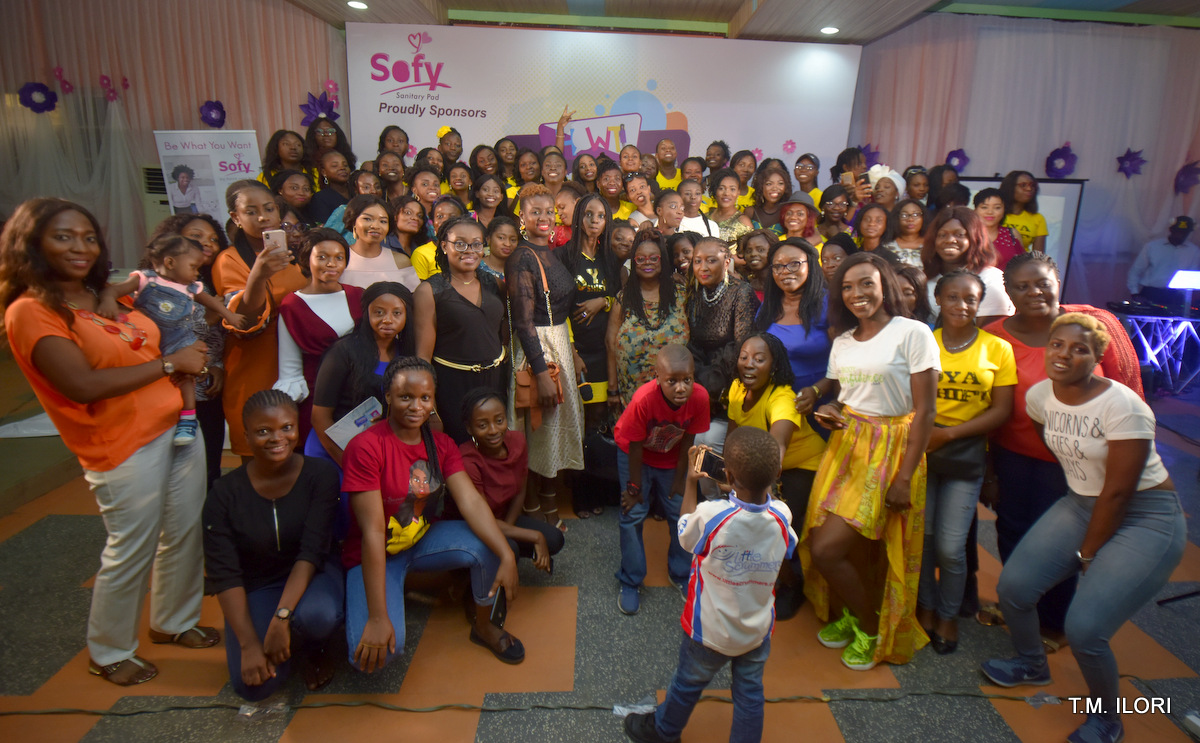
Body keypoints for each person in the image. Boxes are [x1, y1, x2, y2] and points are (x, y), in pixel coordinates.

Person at [1, 198, 216, 686]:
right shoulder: (31, 311)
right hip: (120, 443)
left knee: (183, 531)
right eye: (62, 236)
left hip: (176, 425)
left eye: (88, 237)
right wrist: (170, 363)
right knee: (132, 545)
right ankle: (109, 650)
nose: (79, 247)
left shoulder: (102, 295)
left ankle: (174, 621)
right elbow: (82, 385)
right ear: (31, 244)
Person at [981, 313, 1184, 743]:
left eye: (1079, 349)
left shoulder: (1124, 406)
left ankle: (1108, 718)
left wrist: (1088, 555)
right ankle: (1031, 663)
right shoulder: (1040, 396)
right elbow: (1058, 448)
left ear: (1097, 358)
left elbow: (1118, 493)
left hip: (1145, 515)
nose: (1064, 355)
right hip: (1081, 503)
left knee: (1086, 629)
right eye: (1057, 345)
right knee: (1014, 589)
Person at [979, 251, 1145, 641]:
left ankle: (1053, 624)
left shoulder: (1094, 325)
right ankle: (1020, 606)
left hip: (1078, 462)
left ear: (1057, 283)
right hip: (1013, 456)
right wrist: (989, 471)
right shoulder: (993, 337)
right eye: (1022, 286)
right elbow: (985, 406)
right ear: (1009, 293)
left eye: (1042, 283)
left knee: (1063, 542)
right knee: (1013, 530)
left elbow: (1130, 389)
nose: (1034, 292)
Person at [798, 251, 938, 671]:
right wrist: (830, 408)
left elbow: (925, 412)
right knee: (847, 546)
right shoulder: (843, 340)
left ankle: (871, 626)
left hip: (892, 449)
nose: (856, 293)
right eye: (847, 287)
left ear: (885, 286)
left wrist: (904, 477)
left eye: (866, 284)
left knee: (827, 549)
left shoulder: (912, 333)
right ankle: (852, 612)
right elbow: (846, 396)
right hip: (847, 445)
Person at [342, 357, 526, 668]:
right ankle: (395, 589)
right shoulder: (366, 447)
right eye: (405, 397)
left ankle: (484, 626)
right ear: (387, 396)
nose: (416, 406)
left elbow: (471, 502)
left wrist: (506, 554)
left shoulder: (441, 444)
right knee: (378, 656)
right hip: (376, 553)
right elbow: (373, 531)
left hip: (422, 539)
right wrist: (377, 617)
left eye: (425, 398)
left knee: (490, 543)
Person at [622, 426, 795, 743]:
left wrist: (691, 481)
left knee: (687, 683)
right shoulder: (783, 516)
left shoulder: (712, 515)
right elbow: (784, 541)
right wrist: (740, 487)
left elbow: (685, 534)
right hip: (756, 632)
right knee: (750, 695)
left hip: (709, 631)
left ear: (727, 473)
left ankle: (664, 731)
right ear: (778, 472)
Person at [204, 391, 343, 699]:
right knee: (254, 687)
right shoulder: (223, 495)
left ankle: (314, 646)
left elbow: (312, 551)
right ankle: (279, 635)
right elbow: (224, 574)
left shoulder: (319, 476)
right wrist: (248, 644)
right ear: (246, 436)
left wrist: (282, 616)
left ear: (297, 429)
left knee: (318, 616)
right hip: (259, 583)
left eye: (286, 428)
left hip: (314, 573)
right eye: (263, 431)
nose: (277, 438)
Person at [916, 270, 1016, 654]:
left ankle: (948, 615)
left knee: (951, 546)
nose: (961, 305)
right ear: (938, 300)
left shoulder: (997, 349)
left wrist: (949, 434)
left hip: (965, 452)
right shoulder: (924, 342)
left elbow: (1001, 410)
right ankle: (926, 608)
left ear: (979, 303)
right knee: (924, 541)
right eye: (952, 297)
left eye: (970, 298)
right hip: (923, 452)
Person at [97, 235, 244, 445]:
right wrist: (108, 300)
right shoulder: (145, 279)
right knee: (150, 375)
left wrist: (229, 315)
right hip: (149, 340)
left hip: (181, 338)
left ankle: (188, 417)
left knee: (186, 377)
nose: (196, 273)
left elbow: (212, 303)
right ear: (170, 262)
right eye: (193, 267)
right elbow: (113, 290)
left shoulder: (191, 287)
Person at [507, 183, 586, 530]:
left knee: (551, 431)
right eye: (534, 211)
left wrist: (572, 351)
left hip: (559, 344)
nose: (543, 217)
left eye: (548, 211)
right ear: (521, 217)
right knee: (537, 430)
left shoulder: (552, 252)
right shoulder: (522, 257)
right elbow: (523, 323)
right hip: (537, 350)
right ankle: (533, 507)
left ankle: (549, 500)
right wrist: (540, 373)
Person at [727, 332, 823, 618]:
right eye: (744, 357)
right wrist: (726, 474)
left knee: (769, 527)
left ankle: (793, 584)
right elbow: (733, 437)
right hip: (763, 465)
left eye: (759, 359)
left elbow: (777, 447)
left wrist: (755, 492)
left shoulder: (781, 397)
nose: (749, 364)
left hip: (803, 465)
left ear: (774, 365)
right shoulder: (737, 388)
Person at [213, 180, 308, 459]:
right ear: (236, 218)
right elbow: (243, 321)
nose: (263, 217)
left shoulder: (294, 256)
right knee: (261, 454)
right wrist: (258, 275)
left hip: (298, 365)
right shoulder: (229, 260)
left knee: (300, 453)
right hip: (255, 366)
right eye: (251, 212)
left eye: (269, 209)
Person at [614, 345, 710, 614]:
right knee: (633, 513)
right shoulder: (643, 399)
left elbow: (688, 441)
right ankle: (630, 580)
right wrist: (634, 487)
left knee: (681, 514)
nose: (681, 388)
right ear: (657, 377)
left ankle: (680, 573)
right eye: (672, 381)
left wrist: (681, 480)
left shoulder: (700, 398)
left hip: (671, 459)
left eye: (687, 380)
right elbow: (634, 445)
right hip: (635, 456)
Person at [150, 213, 230, 486]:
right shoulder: (157, 287)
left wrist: (216, 366)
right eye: (196, 236)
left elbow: (220, 337)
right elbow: (166, 335)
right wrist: (211, 317)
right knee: (178, 472)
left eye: (214, 239)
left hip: (207, 388)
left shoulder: (210, 283)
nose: (207, 243)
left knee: (210, 465)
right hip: (172, 385)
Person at [414, 217, 507, 444]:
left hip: (495, 381)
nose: (469, 250)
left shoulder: (494, 283)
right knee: (458, 448)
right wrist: (430, 408)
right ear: (444, 246)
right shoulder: (430, 290)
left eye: (476, 244)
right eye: (460, 244)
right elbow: (423, 357)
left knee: (493, 449)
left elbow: (504, 326)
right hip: (453, 384)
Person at [458, 388, 564, 568]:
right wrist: (534, 536)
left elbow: (520, 491)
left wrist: (507, 529)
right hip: (472, 525)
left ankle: (499, 557)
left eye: (499, 420)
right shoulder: (467, 459)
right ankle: (467, 573)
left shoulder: (517, 441)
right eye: (483, 425)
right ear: (470, 428)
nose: (493, 430)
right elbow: (482, 519)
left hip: (501, 519)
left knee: (554, 539)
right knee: (512, 547)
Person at [274, 228, 363, 442]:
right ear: (307, 260)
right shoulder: (292, 305)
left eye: (339, 258)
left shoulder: (358, 295)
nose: (331, 264)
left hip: (360, 395)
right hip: (317, 397)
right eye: (322, 257)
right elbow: (289, 369)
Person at [607, 232, 689, 408]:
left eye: (653, 258)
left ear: (662, 261)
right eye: (641, 259)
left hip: (675, 394)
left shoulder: (681, 295)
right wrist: (612, 389)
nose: (647, 263)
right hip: (632, 395)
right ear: (634, 262)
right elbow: (610, 342)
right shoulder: (624, 298)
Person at [560, 193, 619, 430]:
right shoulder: (562, 257)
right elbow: (557, 310)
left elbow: (621, 299)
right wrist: (572, 354)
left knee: (598, 418)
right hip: (574, 351)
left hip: (603, 353)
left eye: (601, 216)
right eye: (588, 214)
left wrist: (603, 301)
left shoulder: (611, 259)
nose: (595, 220)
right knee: (574, 421)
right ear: (578, 218)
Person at [755, 238, 830, 393]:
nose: (785, 271)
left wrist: (817, 391)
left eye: (794, 263)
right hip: (774, 398)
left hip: (817, 398)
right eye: (777, 266)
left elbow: (846, 361)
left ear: (810, 265)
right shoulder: (768, 305)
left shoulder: (828, 304)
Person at [922, 206, 1013, 326]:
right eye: (942, 235)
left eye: (959, 234)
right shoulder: (927, 278)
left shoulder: (990, 279)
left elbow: (992, 330)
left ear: (976, 239)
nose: (950, 240)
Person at [340, 195, 418, 291]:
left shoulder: (401, 262)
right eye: (367, 219)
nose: (376, 226)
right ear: (353, 222)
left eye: (383, 221)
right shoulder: (339, 258)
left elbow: (413, 297)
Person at [1127, 215, 1199, 309]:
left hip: (1176, 296)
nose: (1180, 235)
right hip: (1151, 293)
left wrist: (1185, 296)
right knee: (1147, 318)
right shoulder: (1152, 247)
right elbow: (1135, 271)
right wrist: (1135, 293)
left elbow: (1191, 276)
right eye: (1178, 231)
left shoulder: (1194, 251)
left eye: (1184, 233)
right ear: (1171, 230)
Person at [410, 194, 466, 280]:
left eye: (452, 217)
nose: (445, 220)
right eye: (440, 216)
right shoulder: (421, 254)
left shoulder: (469, 250)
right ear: (433, 222)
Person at [322, 169, 385, 241]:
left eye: (377, 187)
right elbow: (326, 238)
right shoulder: (345, 211)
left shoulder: (384, 212)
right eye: (366, 187)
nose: (374, 191)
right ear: (355, 190)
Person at [973, 188, 1024, 271]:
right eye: (984, 207)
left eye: (997, 208)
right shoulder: (968, 234)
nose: (990, 212)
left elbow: (1023, 264)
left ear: (1004, 210)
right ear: (975, 210)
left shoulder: (1012, 234)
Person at [999, 170, 1047, 253]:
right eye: (1023, 185)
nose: (1029, 189)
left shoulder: (1038, 218)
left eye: (1032, 185)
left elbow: (1039, 256)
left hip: (1022, 260)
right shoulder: (996, 213)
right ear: (1010, 188)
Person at [708, 168, 753, 244]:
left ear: (738, 192)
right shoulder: (705, 218)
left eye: (732, 189)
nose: (727, 193)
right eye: (721, 188)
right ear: (715, 190)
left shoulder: (743, 222)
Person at [308, 150, 353, 224]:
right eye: (335, 166)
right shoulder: (320, 198)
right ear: (324, 172)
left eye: (345, 165)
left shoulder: (356, 192)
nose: (342, 168)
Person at [745, 166, 791, 235]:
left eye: (780, 183)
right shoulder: (750, 211)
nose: (775, 188)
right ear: (761, 187)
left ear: (786, 187)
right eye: (769, 184)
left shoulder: (788, 212)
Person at [884, 198, 926, 268]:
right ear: (896, 218)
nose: (910, 219)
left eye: (915, 215)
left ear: (924, 217)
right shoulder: (886, 247)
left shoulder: (932, 245)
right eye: (904, 215)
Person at [482, 215, 519, 284]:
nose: (508, 244)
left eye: (513, 240)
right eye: (501, 238)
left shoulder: (520, 271)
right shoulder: (476, 268)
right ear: (488, 239)